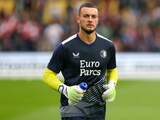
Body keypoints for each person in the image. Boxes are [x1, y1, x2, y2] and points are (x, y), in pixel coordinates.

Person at [43, 2, 118, 120]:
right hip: (72, 109)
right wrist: (66, 90)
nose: (90, 20)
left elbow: (112, 69)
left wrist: (112, 85)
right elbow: (48, 75)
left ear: (98, 20)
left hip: (97, 109)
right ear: (78, 19)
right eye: (86, 16)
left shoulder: (108, 46)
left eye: (93, 16)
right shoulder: (65, 47)